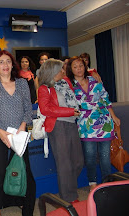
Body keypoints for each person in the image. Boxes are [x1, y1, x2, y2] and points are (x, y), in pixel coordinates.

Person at [0, 50, 36, 216]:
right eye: (1, 62)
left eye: (8, 61)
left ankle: (24, 205)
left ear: (13, 65)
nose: (5, 65)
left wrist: (22, 127)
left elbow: (28, 110)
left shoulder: (22, 84)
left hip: (20, 135)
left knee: (23, 171)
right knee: (0, 173)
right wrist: (0, 132)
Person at [67, 56, 120, 191]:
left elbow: (106, 99)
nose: (79, 69)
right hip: (86, 124)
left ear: (85, 67)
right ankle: (93, 183)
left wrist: (114, 116)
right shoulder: (69, 85)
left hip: (104, 121)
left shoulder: (94, 80)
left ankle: (107, 182)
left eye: (81, 65)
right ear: (71, 69)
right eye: (75, 67)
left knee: (105, 157)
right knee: (90, 156)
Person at [37, 59, 84, 203]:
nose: (63, 71)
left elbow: (84, 76)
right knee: (64, 163)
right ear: (52, 72)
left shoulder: (66, 82)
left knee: (78, 162)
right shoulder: (44, 88)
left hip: (71, 124)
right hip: (57, 126)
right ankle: (69, 196)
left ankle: (68, 186)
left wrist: (93, 74)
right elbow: (46, 109)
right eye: (60, 69)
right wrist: (70, 111)